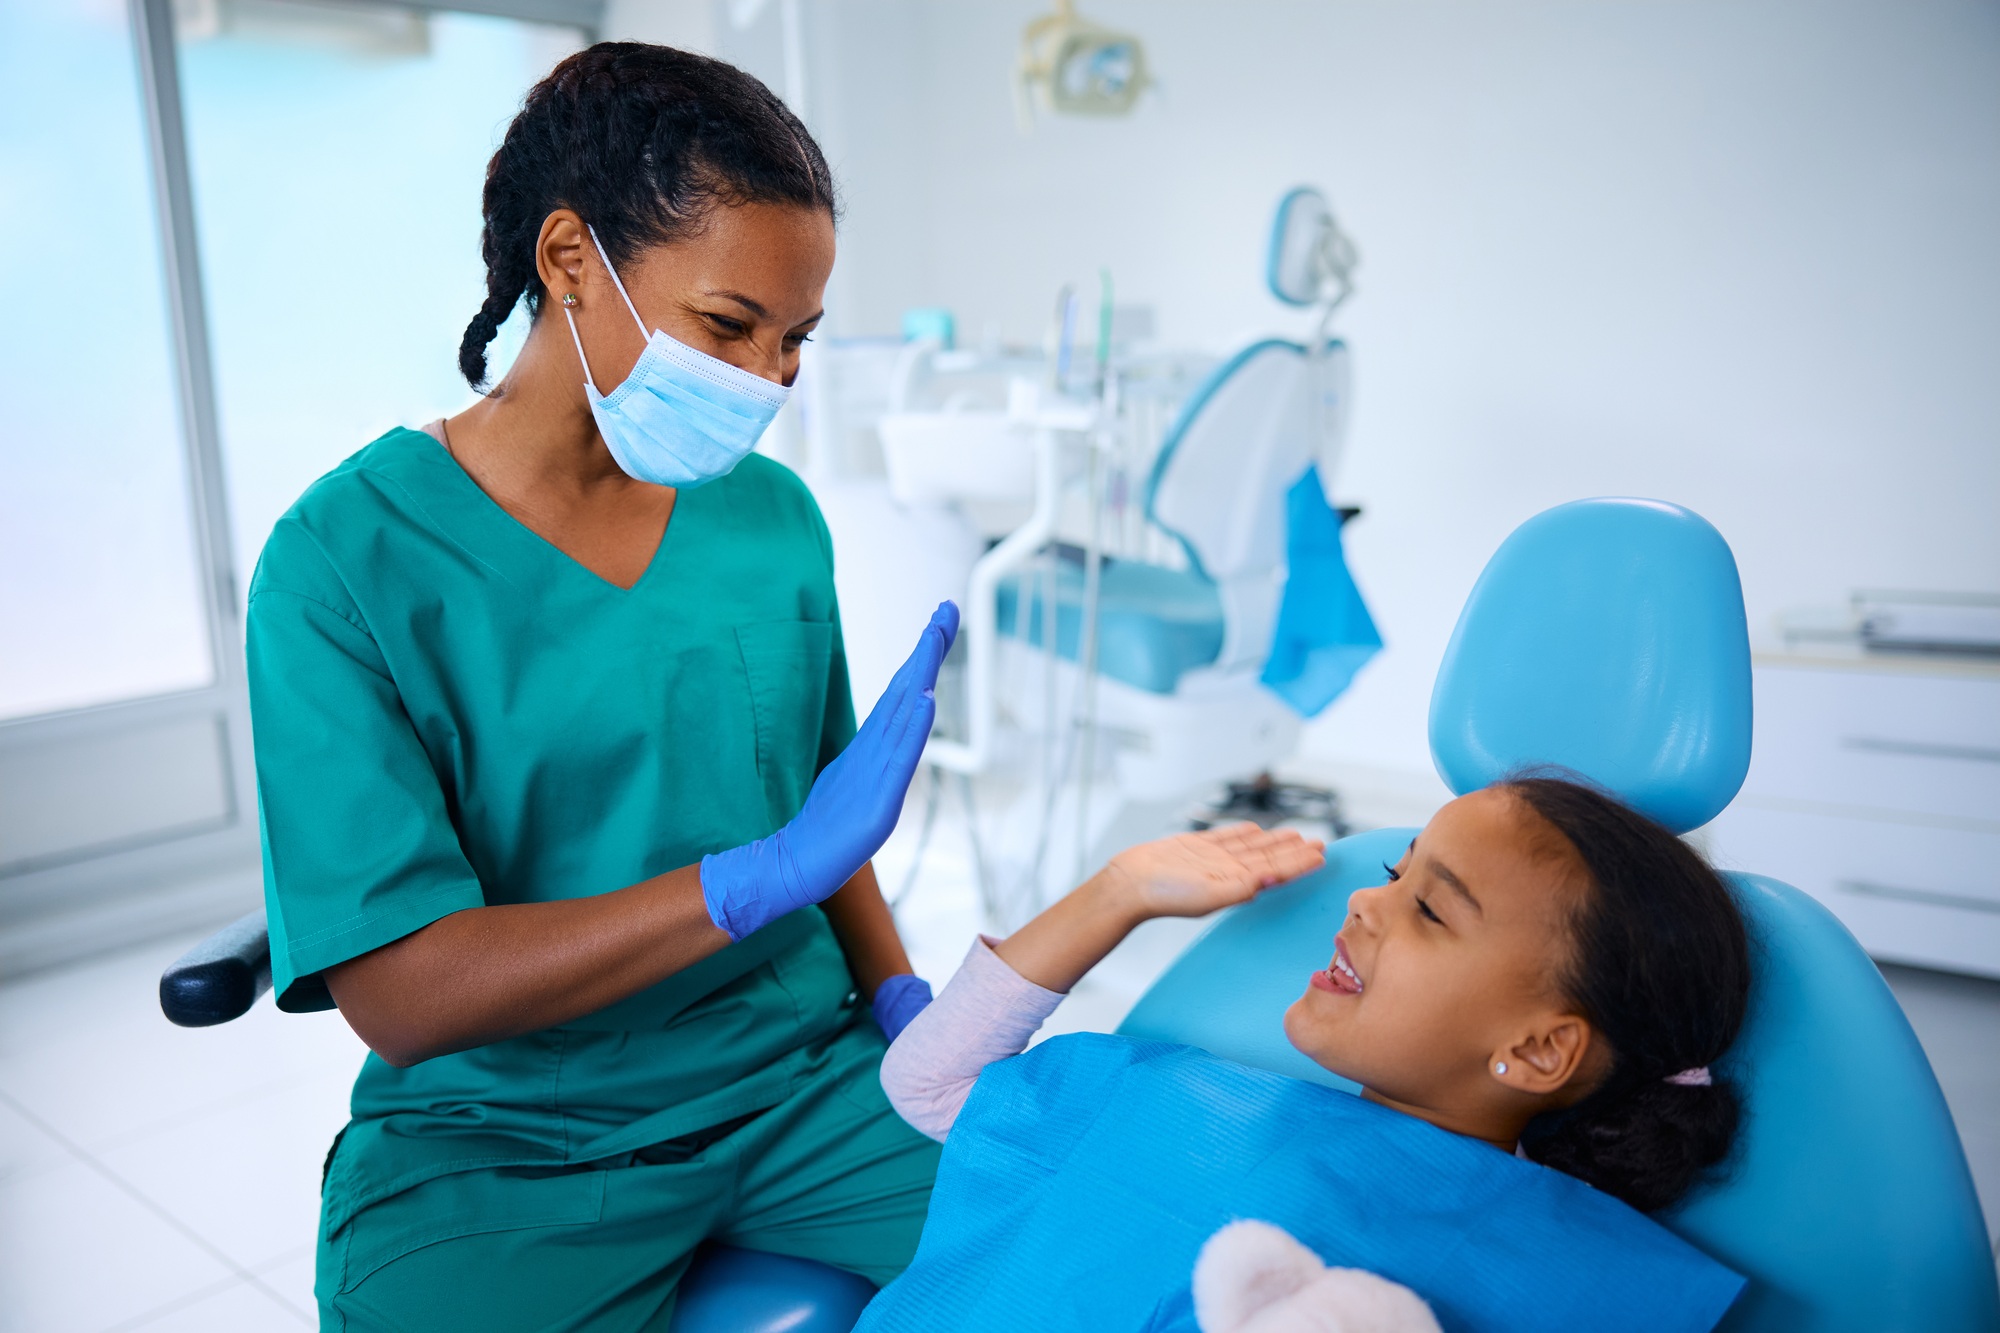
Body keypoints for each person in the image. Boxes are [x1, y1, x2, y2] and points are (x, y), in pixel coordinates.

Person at [247, 43, 948, 1331]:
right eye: (728, 326)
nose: (770, 377)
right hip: (507, 1142)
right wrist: (737, 887)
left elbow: (823, 820)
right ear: (568, 263)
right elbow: (403, 996)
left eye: (794, 339)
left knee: (1095, 1234)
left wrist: (907, 1008)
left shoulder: (770, 518)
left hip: (800, 1081)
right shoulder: (345, 561)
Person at [873, 776, 1752, 1325]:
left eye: (1432, 910)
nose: (1369, 906)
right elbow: (930, 1080)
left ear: (1535, 1050)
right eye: (1393, 875)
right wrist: (1121, 889)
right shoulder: (1188, 1099)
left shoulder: (1563, 1276)